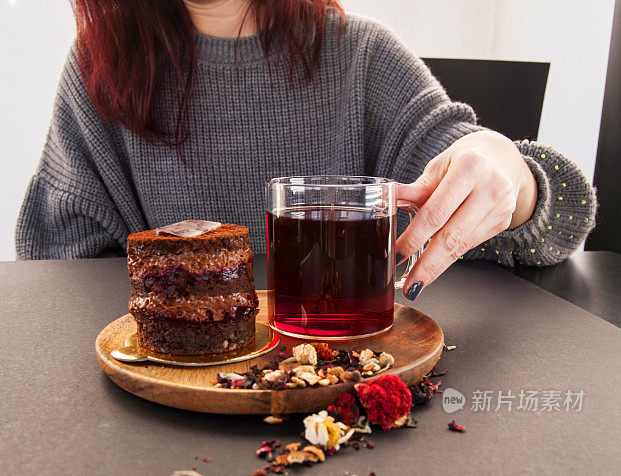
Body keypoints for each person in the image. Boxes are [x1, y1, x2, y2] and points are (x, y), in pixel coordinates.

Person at [15, 0, 595, 301]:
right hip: (159, 412)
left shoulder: (361, 57)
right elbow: (54, 273)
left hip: (343, 397)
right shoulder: (104, 69)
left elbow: (558, 222)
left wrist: (511, 176)